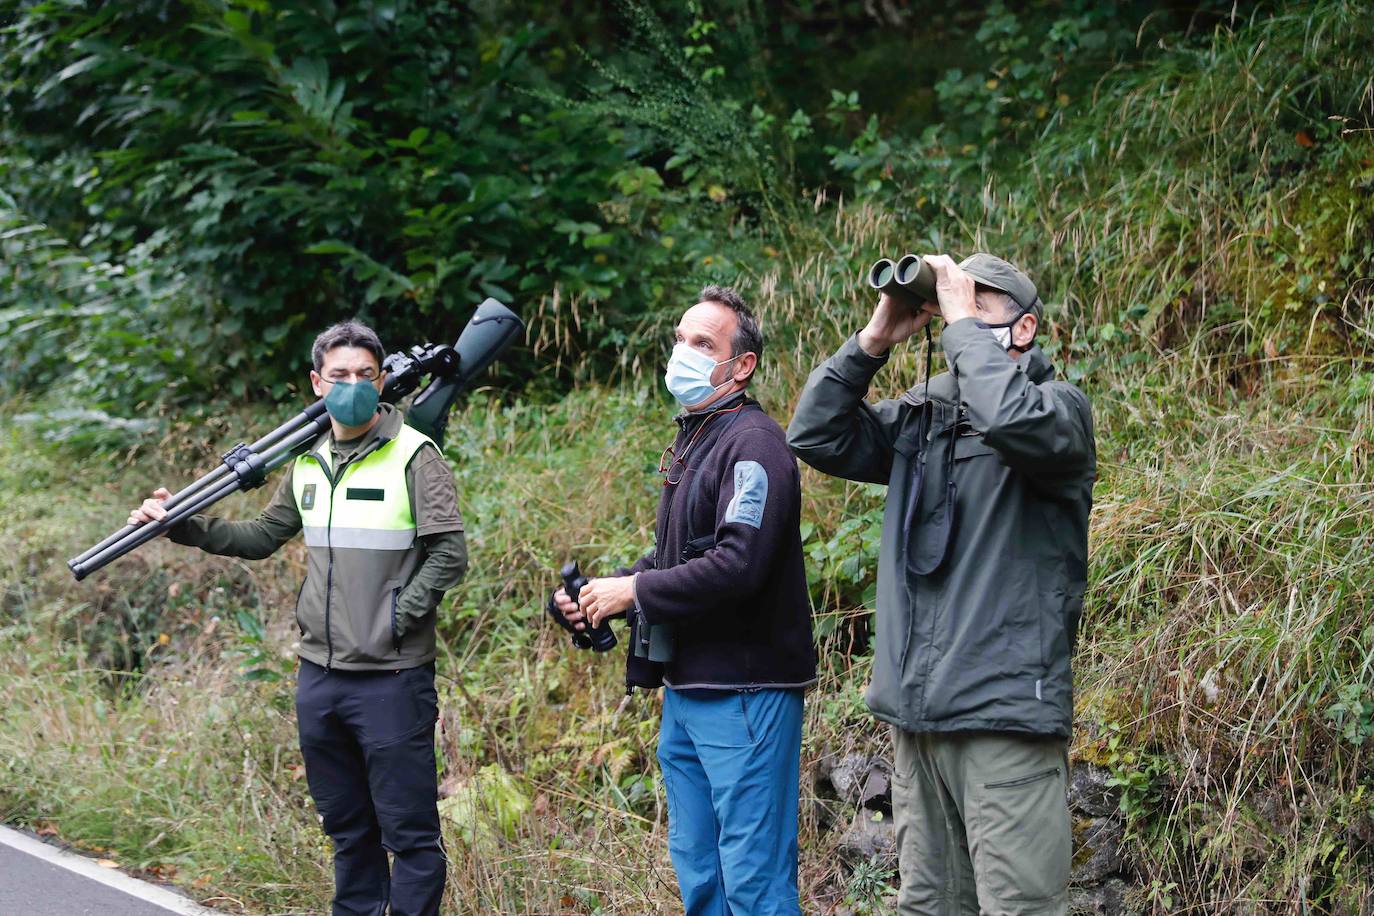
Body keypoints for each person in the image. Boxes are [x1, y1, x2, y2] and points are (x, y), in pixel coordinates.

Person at [787, 254, 1096, 915]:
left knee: (1021, 907)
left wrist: (957, 322)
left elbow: (1012, 421)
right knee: (930, 905)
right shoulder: (923, 419)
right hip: (919, 715)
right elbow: (814, 433)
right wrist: (875, 340)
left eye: (977, 304)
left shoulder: (1059, 412)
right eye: (952, 300)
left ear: (1024, 328)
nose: (955, 310)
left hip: (1002, 716)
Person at [129, 320, 467, 916]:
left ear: (383, 379)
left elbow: (448, 556)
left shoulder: (415, 455)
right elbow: (261, 535)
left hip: (392, 678)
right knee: (347, 828)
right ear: (318, 383)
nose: (354, 386)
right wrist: (180, 525)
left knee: (409, 836)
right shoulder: (307, 461)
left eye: (366, 375)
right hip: (321, 677)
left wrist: (394, 618)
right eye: (340, 376)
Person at [551, 285, 816, 916]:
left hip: (746, 694)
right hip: (688, 690)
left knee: (753, 881)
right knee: (701, 874)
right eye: (680, 339)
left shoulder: (755, 444)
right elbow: (674, 561)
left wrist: (635, 590)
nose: (684, 354)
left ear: (741, 365)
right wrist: (597, 595)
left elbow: (737, 564)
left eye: (703, 343)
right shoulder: (695, 439)